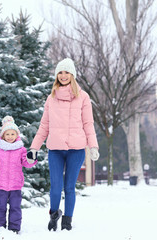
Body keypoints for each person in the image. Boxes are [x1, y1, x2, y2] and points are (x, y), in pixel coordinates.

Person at [27, 58, 99, 231]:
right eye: (60, 72)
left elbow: (88, 123)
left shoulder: (83, 97)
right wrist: (34, 148)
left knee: (69, 187)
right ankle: (54, 215)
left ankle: (67, 221)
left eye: (67, 72)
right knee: (56, 187)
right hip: (56, 150)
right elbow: (44, 126)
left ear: (72, 75)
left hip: (76, 149)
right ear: (56, 75)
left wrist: (93, 146)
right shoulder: (51, 99)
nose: (63, 75)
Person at [0, 116, 37, 234]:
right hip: (1, 184)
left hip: (16, 185)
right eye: (7, 134)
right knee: (0, 207)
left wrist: (32, 159)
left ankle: (14, 227)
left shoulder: (21, 149)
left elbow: (26, 163)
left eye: (12, 134)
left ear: (17, 135)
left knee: (15, 207)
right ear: (3, 136)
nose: (10, 137)